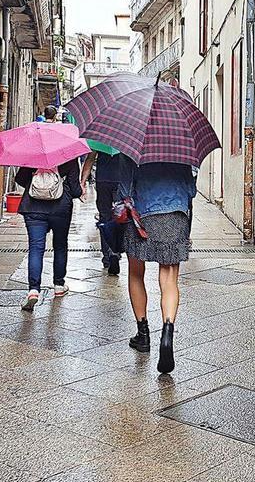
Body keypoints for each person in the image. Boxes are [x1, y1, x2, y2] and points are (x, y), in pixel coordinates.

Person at [124, 162, 197, 374]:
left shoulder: (133, 148)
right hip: (176, 215)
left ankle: (143, 334)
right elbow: (191, 190)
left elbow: (124, 189)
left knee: (136, 273)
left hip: (141, 218)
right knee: (169, 278)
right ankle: (167, 331)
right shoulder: (181, 151)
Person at [15, 158, 84, 311]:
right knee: (60, 246)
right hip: (61, 209)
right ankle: (59, 285)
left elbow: (20, 179)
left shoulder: (34, 154)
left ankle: (33, 290)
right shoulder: (69, 157)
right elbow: (75, 190)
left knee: (36, 248)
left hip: (33, 207)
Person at [81, 151, 125, 275]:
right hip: (121, 180)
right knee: (120, 217)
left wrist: (83, 181)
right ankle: (115, 251)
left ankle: (107, 256)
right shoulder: (127, 136)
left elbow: (90, 159)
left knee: (105, 218)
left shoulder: (101, 135)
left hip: (103, 180)